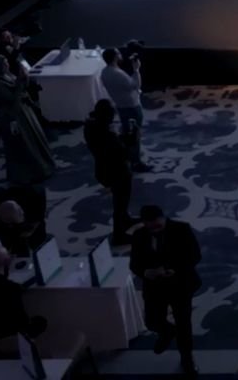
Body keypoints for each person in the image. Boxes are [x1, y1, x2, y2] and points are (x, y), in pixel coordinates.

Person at [130, 205, 201, 376]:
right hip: (154, 287)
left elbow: (194, 256)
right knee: (152, 321)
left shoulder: (181, 229)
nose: (155, 228)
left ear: (163, 218)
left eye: (157, 223)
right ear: (144, 223)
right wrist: (145, 272)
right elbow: (134, 264)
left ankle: (187, 358)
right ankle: (168, 332)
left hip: (180, 284)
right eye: (150, 225)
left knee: (184, 324)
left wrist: (173, 269)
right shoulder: (139, 235)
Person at [0, 55, 55, 185]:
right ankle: (28, 174)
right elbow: (12, 101)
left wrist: (24, 78)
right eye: (4, 64)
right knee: (24, 145)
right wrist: (20, 83)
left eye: (6, 62)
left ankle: (42, 167)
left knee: (33, 140)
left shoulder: (6, 75)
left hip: (23, 112)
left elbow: (20, 88)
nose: (7, 65)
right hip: (13, 117)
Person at [84, 99, 136, 244]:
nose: (114, 117)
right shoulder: (106, 134)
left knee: (120, 201)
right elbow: (123, 153)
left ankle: (126, 220)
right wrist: (131, 139)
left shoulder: (91, 127)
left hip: (104, 168)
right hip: (117, 172)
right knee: (120, 203)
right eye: (112, 114)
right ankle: (119, 235)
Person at [100, 48, 151, 172]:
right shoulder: (118, 74)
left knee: (126, 132)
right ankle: (136, 162)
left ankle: (128, 155)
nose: (120, 54)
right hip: (132, 106)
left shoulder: (104, 72)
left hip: (120, 105)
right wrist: (136, 69)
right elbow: (135, 85)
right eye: (118, 53)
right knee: (135, 134)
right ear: (115, 57)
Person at [0, 187, 48, 257]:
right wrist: (14, 232)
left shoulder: (33, 199)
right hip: (6, 228)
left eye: (20, 212)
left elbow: (39, 217)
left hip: (29, 209)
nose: (22, 213)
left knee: (38, 239)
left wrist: (32, 228)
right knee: (13, 243)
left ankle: (41, 251)